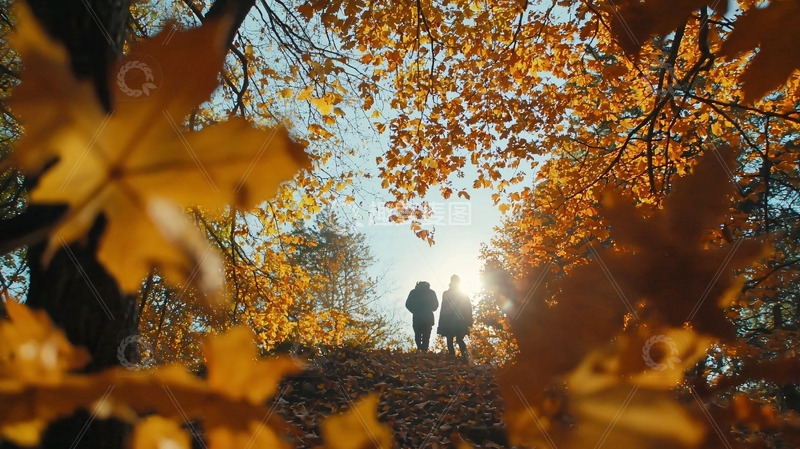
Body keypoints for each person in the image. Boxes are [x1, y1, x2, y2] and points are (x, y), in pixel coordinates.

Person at [437, 274, 473, 358]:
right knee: (454, 338)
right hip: (455, 320)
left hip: (456, 320)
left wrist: (469, 320)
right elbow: (468, 308)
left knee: (455, 338)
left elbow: (468, 307)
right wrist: (469, 321)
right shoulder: (452, 293)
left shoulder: (448, 293)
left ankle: (461, 356)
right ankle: (459, 356)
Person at [405, 281, 438, 353]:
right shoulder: (431, 292)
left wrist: (414, 310)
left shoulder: (413, 292)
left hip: (417, 317)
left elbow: (408, 304)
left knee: (417, 334)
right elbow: (435, 306)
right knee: (426, 336)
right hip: (428, 317)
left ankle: (420, 349)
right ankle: (424, 351)